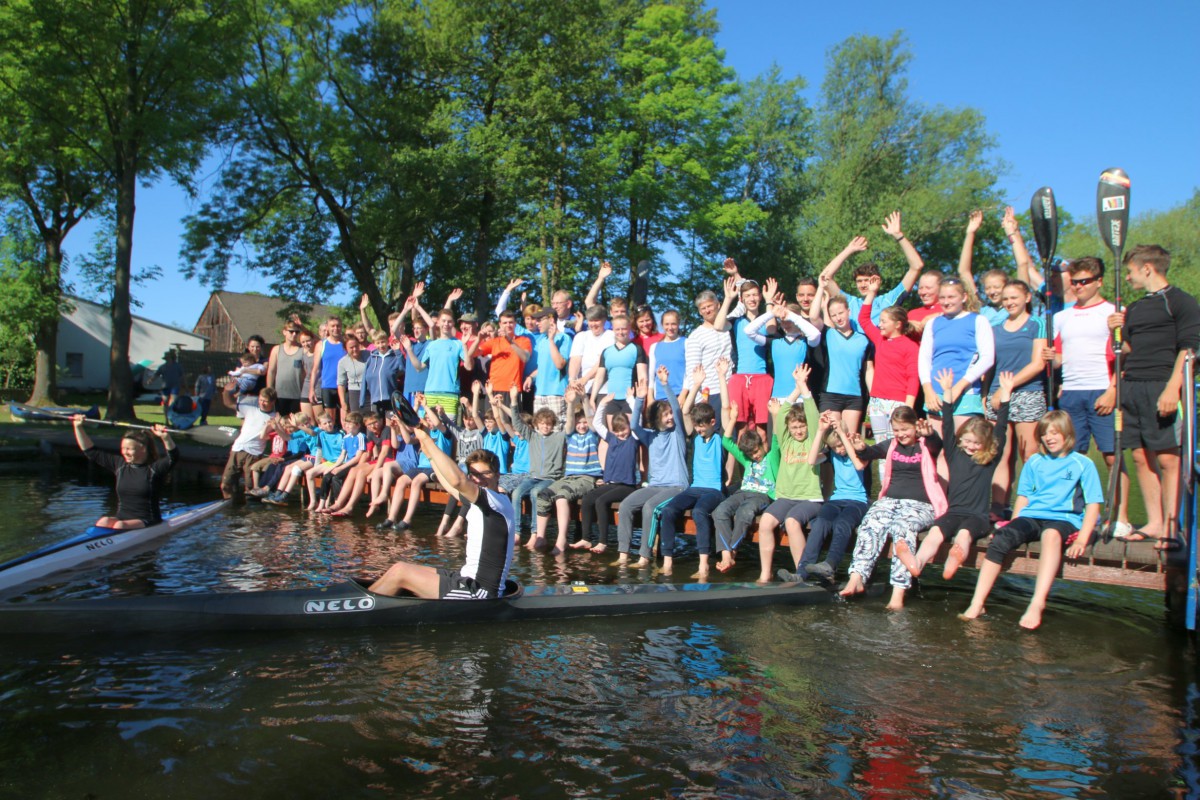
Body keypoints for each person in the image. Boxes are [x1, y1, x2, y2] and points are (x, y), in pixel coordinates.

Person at [961, 410, 1103, 630]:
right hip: (1033, 516)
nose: (1049, 438)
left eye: (1054, 433)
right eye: (1045, 433)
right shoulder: (1035, 461)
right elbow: (1024, 497)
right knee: (1001, 537)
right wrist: (1013, 526)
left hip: (1064, 518)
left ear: (1067, 434)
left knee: (1050, 535)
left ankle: (1037, 603)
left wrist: (1081, 540)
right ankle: (977, 602)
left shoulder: (1082, 463)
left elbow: (1093, 504)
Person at [1108, 244, 1200, 548]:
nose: (1128, 277)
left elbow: (1189, 349)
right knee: (1139, 454)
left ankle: (1172, 527)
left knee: (1168, 458)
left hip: (1162, 384)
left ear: (1147, 268)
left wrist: (1173, 388)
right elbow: (1128, 349)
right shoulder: (1135, 308)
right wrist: (1114, 331)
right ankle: (1155, 522)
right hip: (1133, 386)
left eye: (1131, 271)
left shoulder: (1181, 302)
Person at [895, 371, 1012, 583]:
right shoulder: (954, 453)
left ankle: (953, 561)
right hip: (954, 512)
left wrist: (1005, 397)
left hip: (978, 517)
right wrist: (947, 392)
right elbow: (947, 425)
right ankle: (917, 562)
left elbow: (1001, 430)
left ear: (986, 444)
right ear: (961, 439)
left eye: (976, 443)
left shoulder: (989, 459)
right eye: (967, 441)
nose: (971, 446)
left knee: (964, 535)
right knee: (935, 532)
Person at [368, 440, 515, 600]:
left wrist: (427, 440)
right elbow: (449, 485)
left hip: (480, 592)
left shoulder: (495, 501)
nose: (478, 479)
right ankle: (366, 598)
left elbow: (457, 481)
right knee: (398, 566)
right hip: (465, 578)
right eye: (474, 475)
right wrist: (430, 457)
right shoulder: (481, 501)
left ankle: (359, 606)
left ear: (497, 475)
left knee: (400, 573)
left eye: (485, 473)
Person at [1049, 257, 1129, 536]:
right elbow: (1059, 358)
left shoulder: (1114, 312)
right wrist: (1050, 358)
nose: (1079, 286)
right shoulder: (1062, 317)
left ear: (1099, 282)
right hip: (1071, 393)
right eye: (1075, 282)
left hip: (1102, 390)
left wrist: (1113, 391)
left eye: (1084, 281)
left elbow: (1126, 356)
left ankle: (1119, 517)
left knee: (1112, 456)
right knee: (1072, 457)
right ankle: (1076, 514)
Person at [841, 406, 947, 610]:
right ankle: (857, 578)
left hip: (921, 505)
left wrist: (930, 434)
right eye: (896, 430)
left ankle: (898, 592)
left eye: (905, 429)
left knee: (902, 529)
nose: (901, 434)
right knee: (870, 522)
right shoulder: (892, 445)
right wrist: (861, 447)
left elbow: (937, 445)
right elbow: (870, 452)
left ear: (915, 427)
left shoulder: (925, 445)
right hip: (890, 501)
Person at [71, 415, 179, 529]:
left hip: (148, 519)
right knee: (103, 521)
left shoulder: (154, 469)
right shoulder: (120, 465)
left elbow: (173, 457)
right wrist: (78, 427)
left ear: (143, 449)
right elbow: (91, 452)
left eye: (129, 449)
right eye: (123, 448)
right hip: (122, 518)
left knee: (120, 525)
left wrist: (166, 437)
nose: (124, 452)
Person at [220, 388, 278, 500]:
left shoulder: (274, 418)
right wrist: (226, 391)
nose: (262, 403)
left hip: (253, 453)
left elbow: (273, 437)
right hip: (237, 449)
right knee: (225, 485)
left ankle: (249, 509)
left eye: (265, 401)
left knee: (250, 489)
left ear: (273, 402)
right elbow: (229, 403)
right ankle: (229, 504)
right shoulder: (250, 409)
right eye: (260, 400)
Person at [309, 316, 346, 429]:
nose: (336, 328)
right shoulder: (321, 344)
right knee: (330, 419)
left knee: (346, 419)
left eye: (338, 326)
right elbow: (315, 369)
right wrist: (311, 389)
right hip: (328, 386)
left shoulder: (345, 343)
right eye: (332, 326)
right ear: (328, 328)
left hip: (345, 386)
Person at [266, 323, 308, 415]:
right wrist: (269, 391)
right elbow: (271, 371)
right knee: (280, 420)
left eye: (297, 332)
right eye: (291, 331)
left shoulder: (303, 350)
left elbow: (307, 373)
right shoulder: (277, 349)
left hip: (297, 394)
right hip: (279, 395)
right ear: (284, 332)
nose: (294, 334)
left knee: (295, 421)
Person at [154, 351, 184, 417]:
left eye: (167, 358)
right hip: (165, 387)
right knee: (165, 403)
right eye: (166, 358)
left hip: (175, 386)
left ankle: (172, 416)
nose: (167, 359)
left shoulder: (178, 366)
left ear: (171, 358)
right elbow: (156, 375)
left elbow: (182, 376)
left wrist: (185, 386)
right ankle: (166, 419)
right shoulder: (162, 367)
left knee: (173, 402)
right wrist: (150, 380)